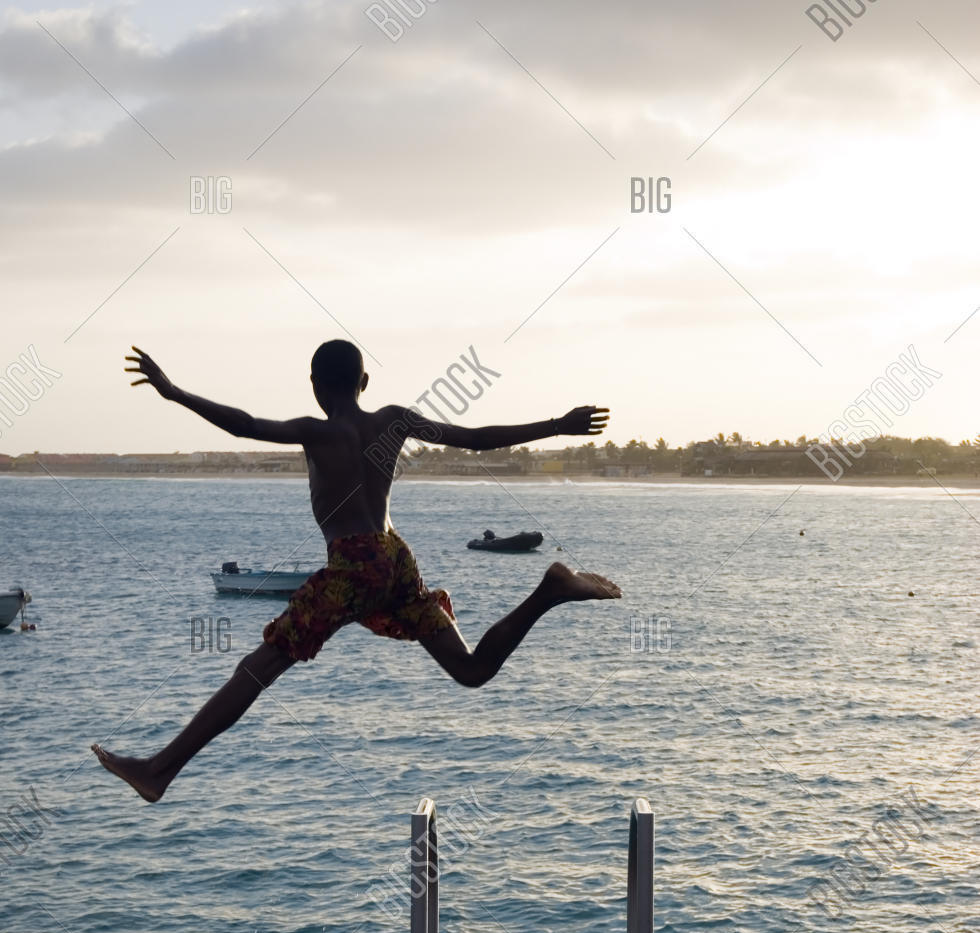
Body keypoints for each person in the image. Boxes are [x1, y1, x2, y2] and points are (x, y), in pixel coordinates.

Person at [91, 340, 620, 802]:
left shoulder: (314, 432)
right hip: (396, 557)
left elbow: (246, 424)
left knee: (257, 667)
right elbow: (476, 437)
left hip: (352, 565)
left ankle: (159, 770)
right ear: (364, 382)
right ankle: (548, 592)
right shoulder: (394, 420)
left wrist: (175, 392)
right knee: (471, 670)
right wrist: (558, 425)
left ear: (316, 387)